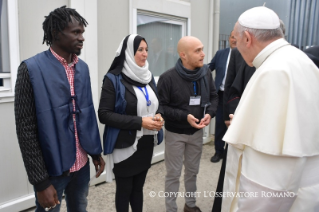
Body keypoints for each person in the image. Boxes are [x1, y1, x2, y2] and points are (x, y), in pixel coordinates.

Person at [222, 6, 319, 211]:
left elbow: (271, 181)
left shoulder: (274, 71)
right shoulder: (298, 58)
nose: (238, 48)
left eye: (237, 42)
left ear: (247, 38)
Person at [14, 6, 105, 212]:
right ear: (56, 34)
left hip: (81, 166)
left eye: (82, 32)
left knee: (80, 208)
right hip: (52, 170)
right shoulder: (30, 69)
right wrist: (40, 182)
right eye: (76, 32)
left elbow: (87, 113)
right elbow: (26, 130)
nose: (82, 38)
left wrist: (95, 152)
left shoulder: (83, 67)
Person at [98, 34, 164, 212]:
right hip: (124, 145)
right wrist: (140, 122)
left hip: (145, 143)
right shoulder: (112, 79)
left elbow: (157, 104)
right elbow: (104, 114)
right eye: (140, 50)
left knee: (138, 189)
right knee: (124, 190)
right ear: (128, 52)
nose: (145, 54)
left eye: (146, 50)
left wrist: (159, 116)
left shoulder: (148, 76)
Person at [157, 36, 218, 212]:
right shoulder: (168, 78)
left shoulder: (205, 72)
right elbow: (162, 108)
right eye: (197, 51)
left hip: (197, 133)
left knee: (192, 171)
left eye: (202, 49)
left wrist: (210, 114)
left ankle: (190, 205)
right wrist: (185, 117)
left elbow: (214, 97)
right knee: (173, 174)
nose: (203, 54)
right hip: (175, 134)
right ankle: (171, 209)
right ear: (183, 55)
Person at [208, 31, 236, 163]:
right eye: (232, 37)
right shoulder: (221, 54)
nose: (234, 39)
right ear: (229, 39)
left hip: (236, 97)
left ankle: (231, 154)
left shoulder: (245, 55)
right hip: (220, 94)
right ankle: (219, 151)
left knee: (234, 125)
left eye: (237, 37)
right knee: (219, 124)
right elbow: (210, 67)